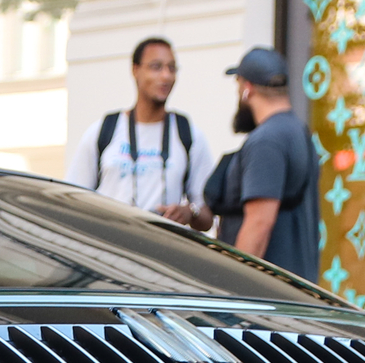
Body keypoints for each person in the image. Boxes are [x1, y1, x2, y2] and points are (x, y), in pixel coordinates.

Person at [65, 37, 213, 229]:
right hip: (108, 250)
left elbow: (207, 218)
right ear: (135, 70)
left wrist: (189, 212)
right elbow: (72, 200)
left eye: (172, 68)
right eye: (156, 67)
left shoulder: (189, 134)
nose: (166, 76)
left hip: (161, 252)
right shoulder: (103, 131)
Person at [217, 46, 319, 281]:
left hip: (267, 299)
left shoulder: (266, 140)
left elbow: (259, 223)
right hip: (295, 291)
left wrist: (234, 290)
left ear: (247, 89)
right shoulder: (298, 131)